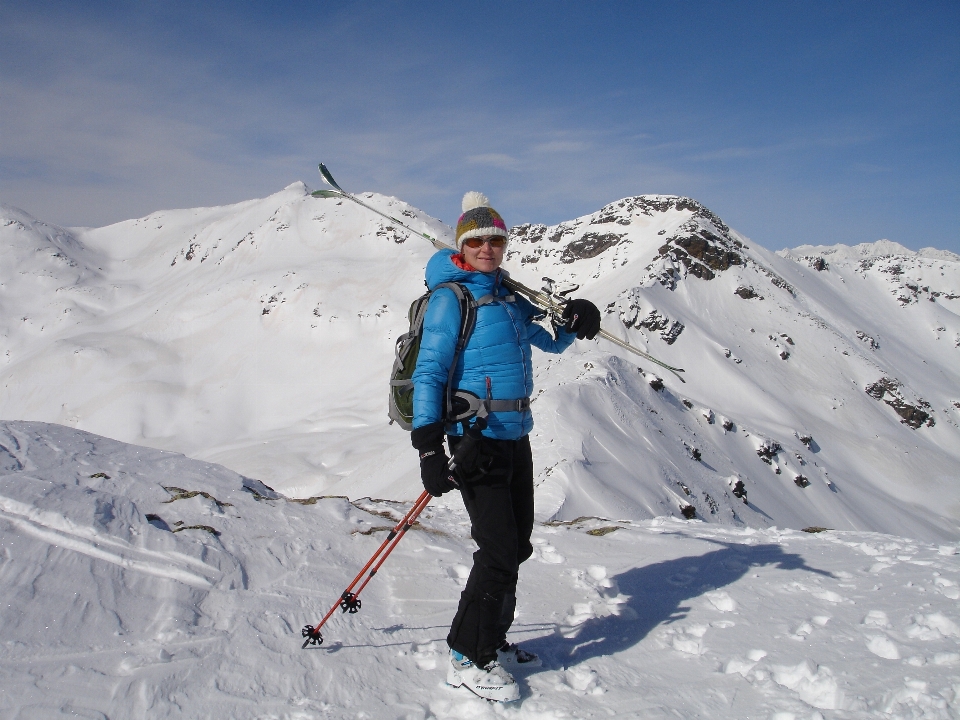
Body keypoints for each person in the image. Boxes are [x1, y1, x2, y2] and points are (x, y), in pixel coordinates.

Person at [409, 192, 600, 702]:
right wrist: (429, 448)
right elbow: (428, 372)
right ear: (462, 246)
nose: (488, 248)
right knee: (496, 549)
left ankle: (493, 638)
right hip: (475, 439)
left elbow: (551, 342)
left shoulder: (509, 298)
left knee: (516, 546)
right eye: (478, 241)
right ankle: (467, 655)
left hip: (516, 436)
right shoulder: (452, 298)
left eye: (496, 239)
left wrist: (578, 319)